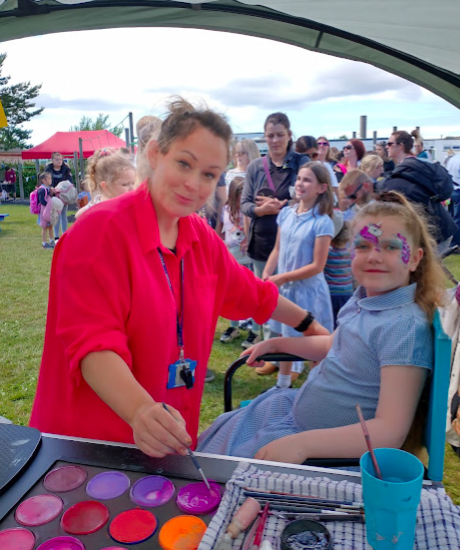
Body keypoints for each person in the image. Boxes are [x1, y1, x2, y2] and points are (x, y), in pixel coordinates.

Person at [29, 97, 328, 458]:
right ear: (155, 154)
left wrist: (313, 328)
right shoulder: (98, 231)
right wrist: (140, 410)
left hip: (164, 446)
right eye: (184, 164)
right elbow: (93, 345)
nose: (193, 183)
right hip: (89, 448)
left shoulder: (199, 237)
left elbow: (254, 293)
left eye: (209, 174)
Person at [197, 191, 445, 463]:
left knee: (221, 468)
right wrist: (277, 343)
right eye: (363, 246)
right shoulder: (365, 300)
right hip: (293, 417)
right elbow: (332, 344)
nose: (373, 256)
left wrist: (302, 445)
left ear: (415, 258)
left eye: (390, 247)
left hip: (324, 453)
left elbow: (389, 431)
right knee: (216, 446)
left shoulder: (403, 328)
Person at [260, 162, 335, 382]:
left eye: (307, 180)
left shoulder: (322, 222)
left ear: (321, 188)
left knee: (313, 339)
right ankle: (282, 384)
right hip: (286, 290)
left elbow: (317, 265)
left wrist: (283, 277)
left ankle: (317, 384)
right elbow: (278, 248)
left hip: (309, 292)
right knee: (286, 335)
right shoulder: (286, 214)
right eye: (299, 179)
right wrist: (267, 274)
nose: (300, 184)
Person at [241, 112, 310, 349]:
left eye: (280, 135)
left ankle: (295, 352)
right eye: (270, 136)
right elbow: (245, 204)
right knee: (267, 300)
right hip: (263, 244)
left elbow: (314, 198)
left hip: (296, 245)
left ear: (289, 135)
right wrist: (262, 211)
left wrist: (286, 206)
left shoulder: (302, 163)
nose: (275, 140)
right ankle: (271, 351)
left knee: (295, 300)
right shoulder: (255, 167)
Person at [381, 130, 457, 252]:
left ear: (400, 146)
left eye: (390, 143)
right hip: (440, 228)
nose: (386, 147)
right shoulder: (416, 165)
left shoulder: (410, 169)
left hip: (436, 233)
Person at [219, 177, 253, 343]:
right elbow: (222, 230)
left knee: (250, 293)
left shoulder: (249, 210)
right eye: (241, 194)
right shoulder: (226, 210)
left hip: (248, 259)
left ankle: (253, 326)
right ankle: (233, 326)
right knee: (232, 295)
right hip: (232, 259)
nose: (245, 197)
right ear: (233, 194)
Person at [75, 148, 136, 219]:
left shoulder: (127, 202)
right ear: (106, 186)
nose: (132, 189)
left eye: (133, 183)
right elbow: (78, 215)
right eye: (125, 184)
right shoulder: (97, 206)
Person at [324, 220, 353, 327]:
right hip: (347, 292)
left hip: (331, 293)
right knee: (344, 322)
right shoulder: (350, 253)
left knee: (330, 323)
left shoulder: (327, 253)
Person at [45, 152, 73, 241]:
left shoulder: (66, 169)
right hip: (53, 196)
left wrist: (61, 188)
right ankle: (56, 237)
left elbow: (70, 182)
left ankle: (65, 235)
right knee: (56, 214)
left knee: (63, 214)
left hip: (63, 195)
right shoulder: (48, 170)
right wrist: (50, 188)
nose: (59, 161)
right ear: (52, 160)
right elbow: (45, 181)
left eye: (60, 159)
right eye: (57, 159)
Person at [36, 172, 54, 249]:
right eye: (49, 179)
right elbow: (42, 201)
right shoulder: (41, 190)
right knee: (44, 227)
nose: (50, 180)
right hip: (43, 212)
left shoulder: (47, 189)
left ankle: (51, 240)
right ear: (43, 180)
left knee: (50, 226)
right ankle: (44, 243)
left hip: (48, 211)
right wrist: (49, 204)